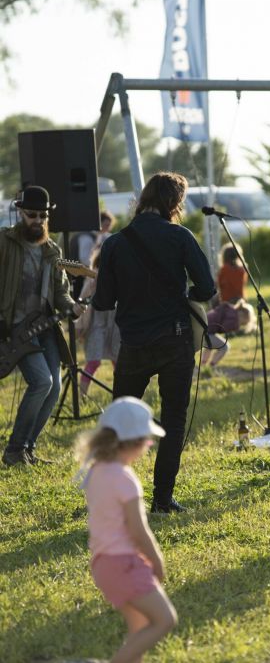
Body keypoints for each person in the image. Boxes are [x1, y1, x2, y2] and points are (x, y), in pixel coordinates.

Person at [93, 173, 216, 513]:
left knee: (119, 420)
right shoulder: (180, 237)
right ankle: (162, 500)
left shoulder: (115, 243)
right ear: (175, 203)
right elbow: (207, 288)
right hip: (175, 340)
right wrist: (184, 295)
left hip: (133, 344)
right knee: (173, 419)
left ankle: (113, 496)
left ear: (143, 199)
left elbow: (103, 301)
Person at [76, 397, 177, 663]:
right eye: (147, 440)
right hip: (124, 564)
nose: (149, 445)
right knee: (165, 619)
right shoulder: (124, 479)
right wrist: (156, 561)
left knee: (141, 627)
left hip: (103, 564)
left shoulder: (96, 471)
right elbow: (139, 530)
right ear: (133, 441)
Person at [1, 186, 85, 466]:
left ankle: (27, 448)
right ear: (20, 213)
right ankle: (14, 450)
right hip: (13, 329)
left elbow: (60, 292)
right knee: (41, 382)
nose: (37, 220)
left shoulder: (53, 249)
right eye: (31, 214)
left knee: (54, 389)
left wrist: (72, 306)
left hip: (45, 328)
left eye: (42, 215)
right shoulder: (4, 243)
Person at [76, 245, 121, 397]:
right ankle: (82, 395)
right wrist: (92, 286)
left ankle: (121, 396)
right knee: (93, 361)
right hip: (97, 324)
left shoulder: (122, 273)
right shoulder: (92, 274)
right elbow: (83, 299)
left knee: (119, 362)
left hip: (116, 324)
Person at [199, 298, 255, 372]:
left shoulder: (229, 310)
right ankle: (212, 366)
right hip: (206, 332)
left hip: (202, 327)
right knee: (225, 347)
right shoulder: (234, 318)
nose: (243, 324)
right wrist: (236, 327)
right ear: (243, 315)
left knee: (210, 345)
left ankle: (203, 366)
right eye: (244, 322)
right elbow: (224, 327)